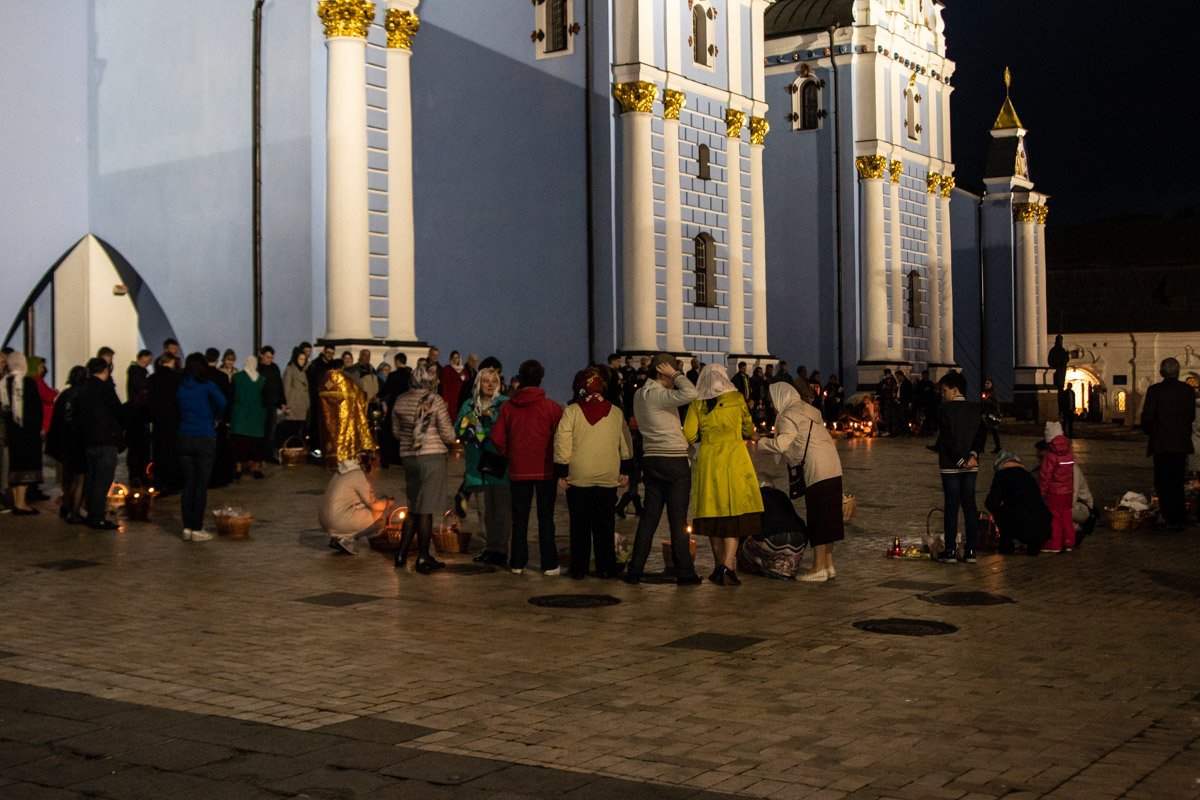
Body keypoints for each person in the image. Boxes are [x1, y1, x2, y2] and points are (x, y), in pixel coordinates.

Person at [623, 354, 701, 585]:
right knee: (677, 519)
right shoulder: (660, 395)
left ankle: (635, 569)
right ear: (662, 371)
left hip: (651, 459)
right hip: (674, 460)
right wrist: (675, 374)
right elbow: (692, 394)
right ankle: (684, 571)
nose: (676, 378)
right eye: (673, 371)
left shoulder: (640, 394)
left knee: (649, 518)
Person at [684, 367, 764, 585]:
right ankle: (729, 566)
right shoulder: (737, 398)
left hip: (710, 462)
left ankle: (719, 565)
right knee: (734, 514)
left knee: (714, 516)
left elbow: (689, 434)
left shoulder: (698, 402)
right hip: (736, 460)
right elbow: (748, 428)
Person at [760, 380, 844, 581]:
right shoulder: (808, 410)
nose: (772, 404)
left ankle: (818, 568)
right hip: (832, 464)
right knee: (829, 517)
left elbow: (782, 444)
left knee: (818, 518)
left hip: (816, 469)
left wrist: (761, 442)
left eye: (772, 400)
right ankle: (829, 565)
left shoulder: (788, 415)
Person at [552, 367, 632, 580]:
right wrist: (625, 469)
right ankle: (606, 568)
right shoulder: (615, 412)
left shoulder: (572, 411)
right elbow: (625, 443)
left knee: (579, 525)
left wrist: (561, 471)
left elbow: (562, 442)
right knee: (605, 525)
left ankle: (579, 568)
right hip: (607, 477)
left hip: (579, 477)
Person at [491, 360, 563, 576]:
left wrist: (510, 453)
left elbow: (496, 437)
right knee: (546, 517)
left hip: (518, 469)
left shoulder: (508, 407)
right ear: (540, 379)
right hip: (545, 468)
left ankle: (518, 562)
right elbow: (560, 438)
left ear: (520, 379)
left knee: (520, 517)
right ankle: (549, 563)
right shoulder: (551, 407)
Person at [391, 365, 455, 573]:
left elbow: (396, 431)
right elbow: (447, 434)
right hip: (431, 457)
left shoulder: (400, 400)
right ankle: (423, 556)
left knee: (414, 507)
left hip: (408, 457)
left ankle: (401, 554)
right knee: (425, 508)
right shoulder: (434, 401)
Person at [454, 366, 512, 566]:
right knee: (484, 511)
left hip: (499, 465)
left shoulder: (504, 404)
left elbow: (509, 429)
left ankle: (501, 550)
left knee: (502, 511)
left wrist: (492, 418)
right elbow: (458, 430)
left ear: (499, 384)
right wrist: (472, 420)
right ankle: (490, 548)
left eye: (493, 381)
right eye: (486, 381)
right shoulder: (469, 404)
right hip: (477, 466)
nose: (489, 385)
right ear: (478, 383)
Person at [932, 371, 985, 563]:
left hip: (950, 466)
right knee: (970, 506)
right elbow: (980, 437)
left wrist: (959, 461)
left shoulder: (944, 410)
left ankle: (951, 551)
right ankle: (971, 551)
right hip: (971, 466)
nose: (943, 393)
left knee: (952, 507)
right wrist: (972, 456)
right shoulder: (976, 409)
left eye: (944, 390)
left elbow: (946, 440)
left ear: (954, 390)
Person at [1139, 357, 1195, 531]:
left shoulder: (1155, 390)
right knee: (1177, 480)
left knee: (1163, 481)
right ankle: (1179, 516)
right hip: (1180, 443)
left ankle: (1168, 515)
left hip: (1161, 443)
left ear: (1162, 372)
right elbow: (1191, 416)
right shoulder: (1188, 390)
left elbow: (1147, 418)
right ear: (1177, 372)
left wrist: (1151, 430)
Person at [176, 352, 228, 542]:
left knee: (188, 484)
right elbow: (222, 401)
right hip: (204, 436)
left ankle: (186, 526)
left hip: (184, 436)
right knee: (200, 485)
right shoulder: (207, 384)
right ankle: (197, 527)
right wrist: (216, 417)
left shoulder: (181, 386)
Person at [74, 357, 124, 529]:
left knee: (92, 478)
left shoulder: (82, 389)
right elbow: (119, 410)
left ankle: (90, 512)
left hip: (88, 440)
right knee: (103, 480)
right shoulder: (105, 388)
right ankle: (97, 517)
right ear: (105, 370)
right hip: (105, 439)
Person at [320, 455, 393, 554]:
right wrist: (387, 502)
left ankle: (338, 536)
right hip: (337, 520)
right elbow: (373, 504)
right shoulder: (358, 475)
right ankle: (346, 538)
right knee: (380, 519)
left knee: (367, 509)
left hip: (325, 519)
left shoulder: (343, 471)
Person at [0, 352, 44, 514]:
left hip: (11, 433)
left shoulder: (3, 382)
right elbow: (36, 410)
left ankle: (16, 501)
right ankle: (21, 503)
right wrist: (39, 429)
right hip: (27, 433)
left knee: (14, 466)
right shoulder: (29, 383)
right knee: (26, 466)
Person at [984, 451, 1049, 555]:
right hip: (1042, 526)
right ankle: (1033, 546)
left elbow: (992, 501)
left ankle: (1007, 546)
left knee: (1002, 512)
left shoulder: (1002, 474)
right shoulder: (1028, 475)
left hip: (1019, 523)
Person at [46, 365, 89, 523]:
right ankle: (75, 512)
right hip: (75, 442)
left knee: (68, 479)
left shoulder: (64, 395)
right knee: (79, 478)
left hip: (63, 443)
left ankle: (67, 507)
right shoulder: (81, 395)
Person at [318, 360, 376, 469]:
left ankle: (330, 461)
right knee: (343, 436)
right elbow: (358, 394)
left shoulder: (325, 379)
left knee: (330, 437)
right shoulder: (344, 379)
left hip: (328, 418)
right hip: (344, 416)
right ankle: (342, 459)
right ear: (342, 367)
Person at [147, 352, 183, 494]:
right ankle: (173, 483)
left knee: (160, 452)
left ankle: (159, 482)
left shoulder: (152, 379)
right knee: (173, 452)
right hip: (174, 420)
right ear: (172, 362)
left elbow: (149, 401)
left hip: (159, 421)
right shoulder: (177, 378)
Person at [1037, 421, 1075, 553]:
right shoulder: (1069, 454)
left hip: (1055, 493)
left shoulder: (1050, 456)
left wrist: (1042, 492)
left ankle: (1055, 544)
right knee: (1067, 516)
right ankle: (1069, 541)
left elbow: (1045, 476)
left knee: (1055, 519)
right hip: (1068, 492)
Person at [230, 356, 267, 480]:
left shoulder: (237, 377)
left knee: (239, 444)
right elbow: (265, 398)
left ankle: (239, 469)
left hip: (240, 415)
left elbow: (231, 395)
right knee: (256, 444)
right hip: (256, 415)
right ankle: (256, 469)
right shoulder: (261, 379)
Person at [125, 349, 154, 484]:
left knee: (138, 446)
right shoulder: (138, 373)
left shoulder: (135, 372)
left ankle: (137, 473)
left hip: (138, 415)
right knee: (139, 446)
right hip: (140, 415)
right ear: (144, 358)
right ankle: (138, 473)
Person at [279, 348, 310, 449]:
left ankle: (297, 453)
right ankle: (291, 452)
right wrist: (287, 406)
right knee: (292, 432)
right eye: (300, 359)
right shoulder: (290, 370)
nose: (303, 361)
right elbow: (286, 389)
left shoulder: (304, 372)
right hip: (293, 407)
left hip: (302, 407)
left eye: (304, 359)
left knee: (299, 433)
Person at [258, 346, 285, 461]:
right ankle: (259, 455)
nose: (270, 360)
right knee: (261, 431)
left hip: (272, 404)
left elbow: (279, 385)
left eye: (271, 358)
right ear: (261, 355)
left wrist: (282, 401)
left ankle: (268, 455)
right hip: (261, 405)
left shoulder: (274, 368)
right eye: (268, 357)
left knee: (271, 432)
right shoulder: (257, 368)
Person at [440, 350, 467, 418]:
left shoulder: (463, 369)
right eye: (454, 358)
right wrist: (445, 399)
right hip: (450, 396)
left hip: (460, 396)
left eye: (457, 357)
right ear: (451, 359)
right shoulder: (447, 369)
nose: (455, 359)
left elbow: (466, 381)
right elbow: (444, 384)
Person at [981, 378, 1002, 453]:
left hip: (993, 415)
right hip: (987, 415)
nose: (986, 384)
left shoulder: (993, 393)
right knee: (984, 432)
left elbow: (995, 404)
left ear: (991, 385)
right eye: (986, 383)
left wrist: (986, 400)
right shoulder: (985, 392)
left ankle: (998, 447)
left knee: (994, 432)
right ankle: (982, 448)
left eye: (988, 383)